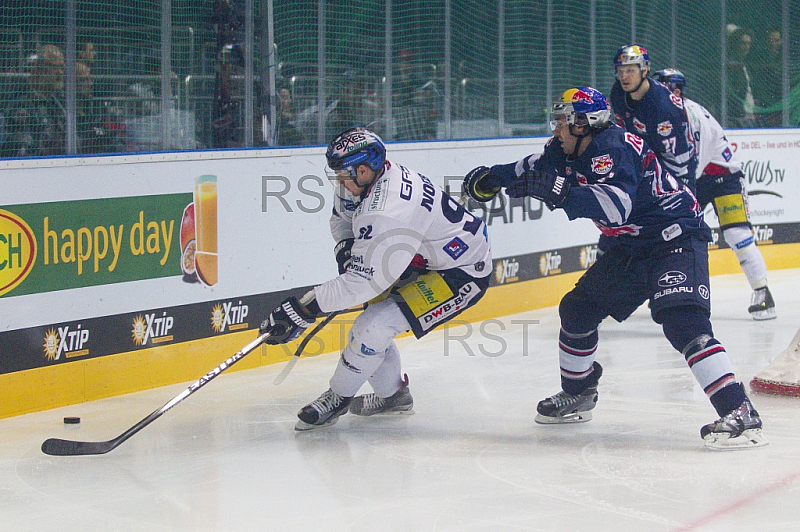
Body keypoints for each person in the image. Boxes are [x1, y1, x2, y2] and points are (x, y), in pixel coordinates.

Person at [462, 87, 766, 450]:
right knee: (577, 311)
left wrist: (559, 193)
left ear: (584, 124)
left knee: (684, 323)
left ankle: (739, 409)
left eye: (563, 120)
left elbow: (616, 206)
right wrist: (492, 178)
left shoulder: (613, 147)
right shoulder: (563, 148)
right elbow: (529, 168)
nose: (556, 127)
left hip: (675, 236)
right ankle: (578, 393)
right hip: (633, 245)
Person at [260, 127, 492, 430]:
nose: (339, 182)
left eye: (343, 175)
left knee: (373, 326)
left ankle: (338, 396)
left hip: (460, 274)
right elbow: (342, 220)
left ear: (365, 169)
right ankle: (392, 396)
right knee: (371, 326)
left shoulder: (386, 209)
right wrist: (346, 252)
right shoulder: (361, 179)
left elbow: (361, 283)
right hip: (419, 259)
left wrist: (303, 310)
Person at [654, 68, 775, 320]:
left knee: (736, 234)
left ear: (676, 91)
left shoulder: (694, 115)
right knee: (670, 232)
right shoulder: (660, 115)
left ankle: (763, 293)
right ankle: (666, 289)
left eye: (662, 88)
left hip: (723, 179)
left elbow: (695, 162)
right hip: (695, 178)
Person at [610, 45, 698, 190]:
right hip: (644, 166)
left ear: (644, 70)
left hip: (676, 170)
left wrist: (680, 191)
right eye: (620, 71)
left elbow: (679, 163)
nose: (624, 77)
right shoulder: (618, 92)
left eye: (630, 70)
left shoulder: (662, 107)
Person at [1, 45, 66, 157]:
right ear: (38, 70)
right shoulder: (21, 105)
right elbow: (22, 148)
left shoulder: (59, 103)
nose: (59, 72)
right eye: (54, 67)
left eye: (61, 67)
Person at [726, 27, 758, 129]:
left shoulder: (747, 66)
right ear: (735, 44)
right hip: (738, 120)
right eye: (743, 43)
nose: (746, 47)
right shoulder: (730, 67)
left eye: (748, 44)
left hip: (749, 117)